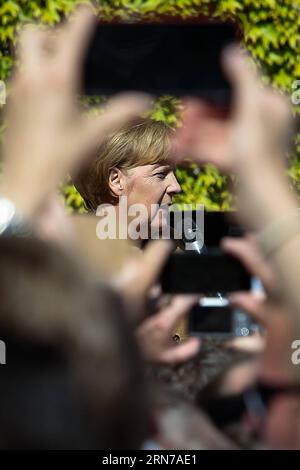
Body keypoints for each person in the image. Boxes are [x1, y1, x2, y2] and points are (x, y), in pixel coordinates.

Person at [73, 117, 181, 239]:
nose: (177, 187)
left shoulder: (181, 247)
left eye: (174, 173)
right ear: (116, 181)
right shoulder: (70, 255)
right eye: (161, 175)